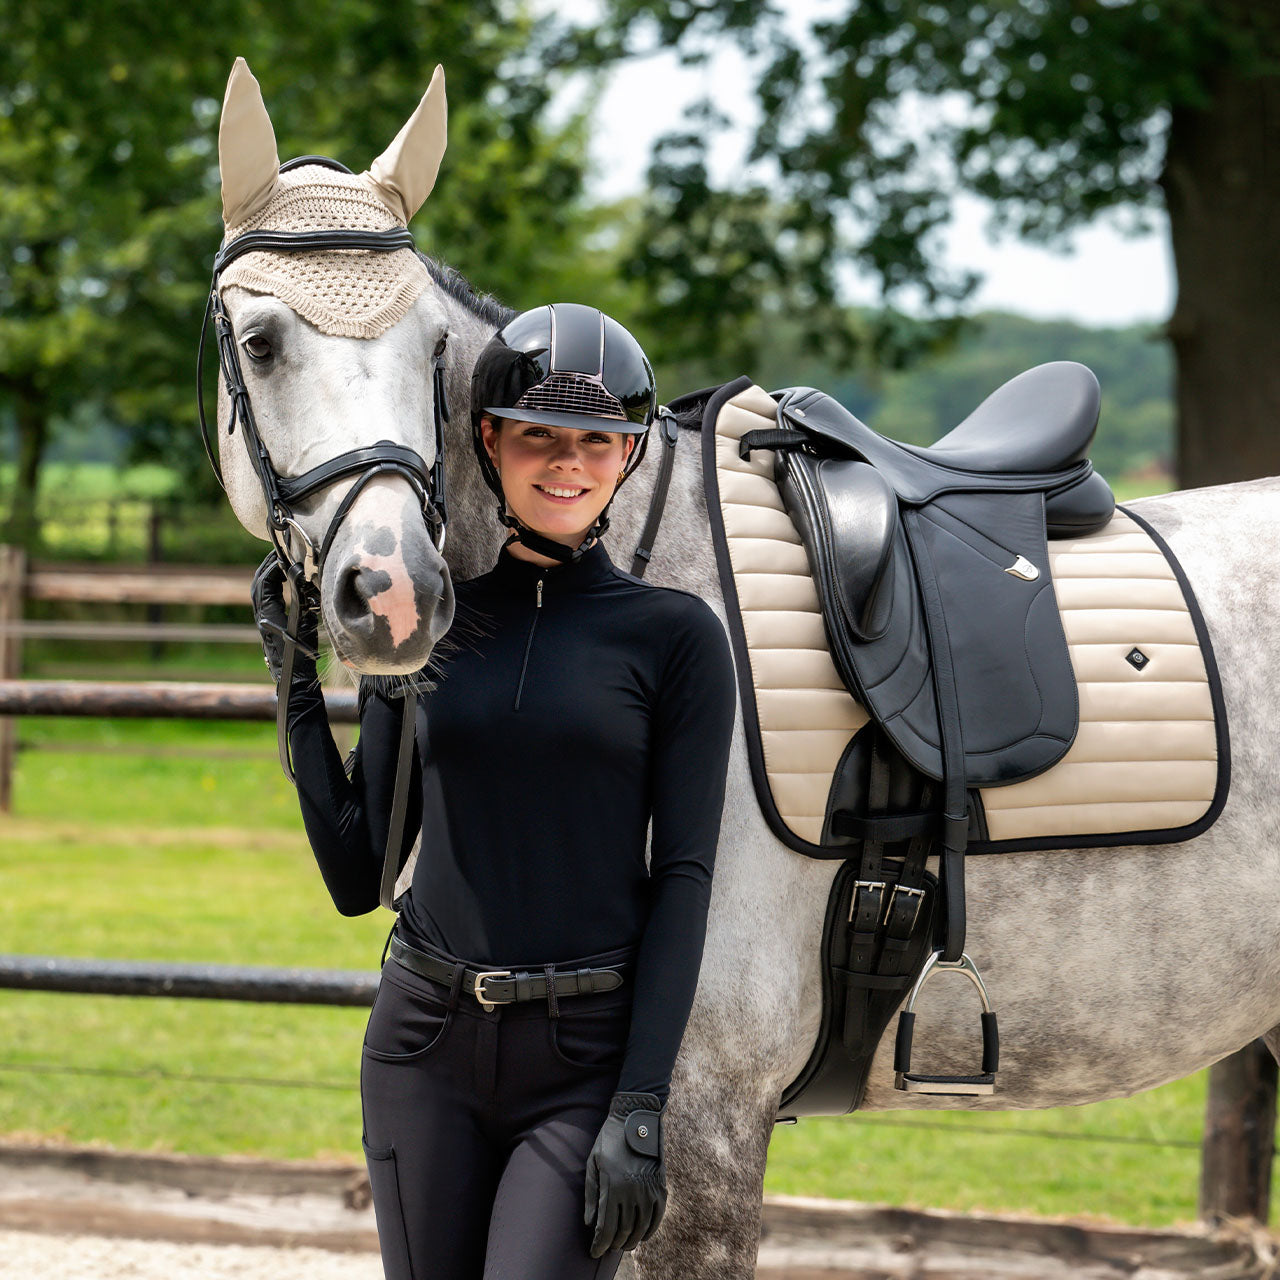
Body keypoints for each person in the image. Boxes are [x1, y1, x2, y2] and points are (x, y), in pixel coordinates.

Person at [253, 302, 736, 1280]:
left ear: (630, 455)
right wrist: (296, 682)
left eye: (598, 441)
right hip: (421, 1046)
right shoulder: (426, 622)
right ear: (488, 441)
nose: (567, 462)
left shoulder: (675, 638)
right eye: (538, 437)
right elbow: (358, 872)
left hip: (582, 1059)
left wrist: (641, 1104)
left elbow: (683, 879)